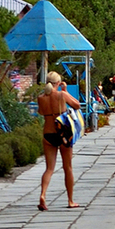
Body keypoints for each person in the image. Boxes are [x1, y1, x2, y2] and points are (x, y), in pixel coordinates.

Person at [37, 71, 81, 211]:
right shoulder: (61, 95)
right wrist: (65, 91)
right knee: (67, 168)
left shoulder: (41, 98)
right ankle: (70, 200)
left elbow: (41, 112)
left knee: (49, 168)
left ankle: (43, 194)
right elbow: (77, 105)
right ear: (58, 83)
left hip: (48, 134)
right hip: (62, 134)